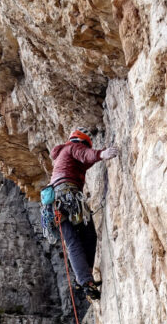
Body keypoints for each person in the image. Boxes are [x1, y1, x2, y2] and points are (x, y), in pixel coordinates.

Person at [49, 127, 118, 300]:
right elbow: (85, 155)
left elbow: (85, 161)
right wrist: (102, 154)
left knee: (73, 241)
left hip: (54, 204)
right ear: (82, 142)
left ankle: (85, 280)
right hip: (68, 196)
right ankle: (86, 278)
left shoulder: (62, 155)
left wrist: (98, 155)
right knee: (88, 235)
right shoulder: (73, 147)